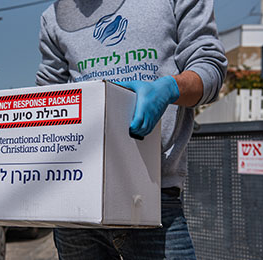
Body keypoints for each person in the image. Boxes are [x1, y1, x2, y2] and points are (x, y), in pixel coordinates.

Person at [36, 0, 227, 259]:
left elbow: (209, 68)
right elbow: (49, 95)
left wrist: (170, 88)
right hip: (78, 202)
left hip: (152, 194)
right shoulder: (55, 17)